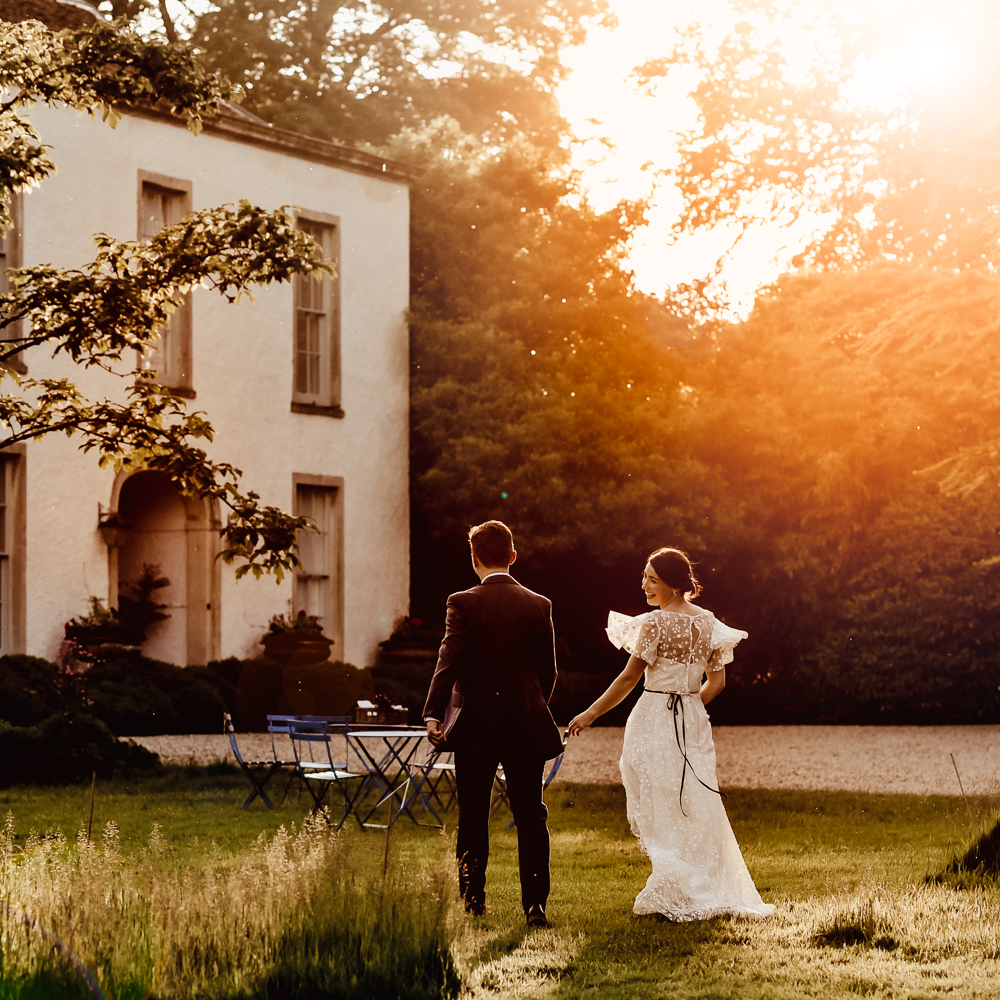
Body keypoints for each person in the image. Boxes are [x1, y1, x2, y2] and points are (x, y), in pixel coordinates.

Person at [567, 547, 774, 921]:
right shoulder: (710, 623)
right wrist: (691, 706)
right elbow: (718, 681)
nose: (644, 584)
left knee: (658, 795)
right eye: (645, 576)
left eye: (652, 579)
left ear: (675, 585)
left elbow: (629, 677)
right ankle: (689, 880)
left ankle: (674, 881)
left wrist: (591, 713)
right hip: (692, 719)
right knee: (693, 799)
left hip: (653, 716)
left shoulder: (656, 624)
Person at [423, 520, 565, 927]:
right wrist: (533, 705)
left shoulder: (462, 601)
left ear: (474, 560)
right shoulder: (541, 604)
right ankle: (535, 905)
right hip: (526, 722)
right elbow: (548, 672)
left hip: (475, 726)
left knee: (473, 815)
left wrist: (434, 713)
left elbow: (448, 660)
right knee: (531, 815)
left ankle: (472, 901)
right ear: (513, 556)